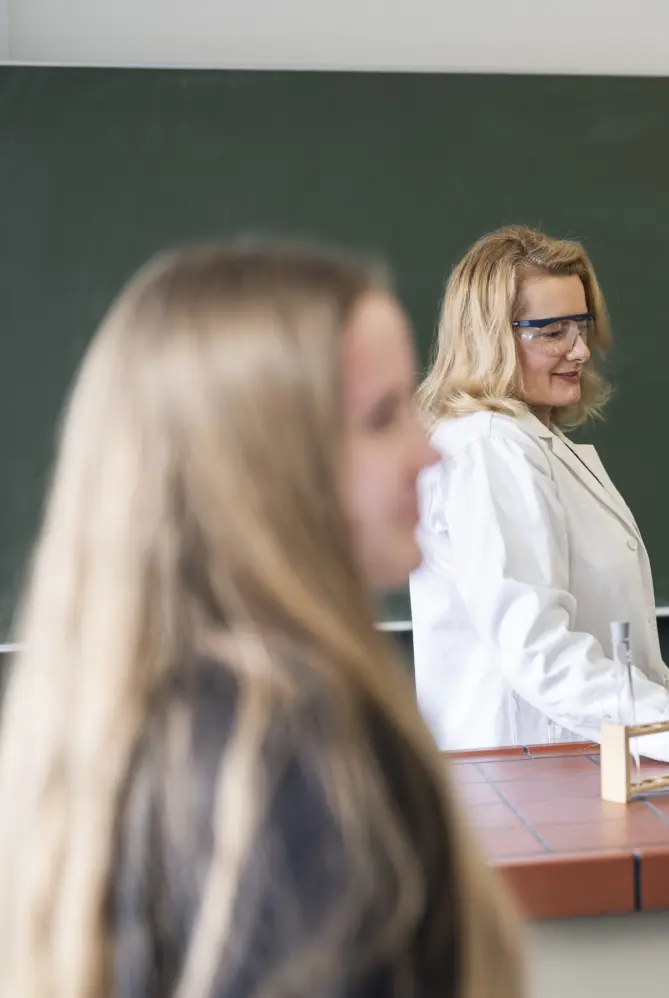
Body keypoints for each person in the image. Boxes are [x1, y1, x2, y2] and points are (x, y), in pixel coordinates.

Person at [0, 243, 527, 997]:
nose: (426, 453)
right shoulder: (304, 764)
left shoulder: (119, 729)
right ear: (264, 460)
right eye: (382, 419)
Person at [411, 226, 669, 772]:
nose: (579, 348)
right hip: (528, 773)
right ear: (489, 337)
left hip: (574, 764)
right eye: (551, 331)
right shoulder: (490, 446)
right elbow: (538, 650)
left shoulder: (529, 441)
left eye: (581, 324)